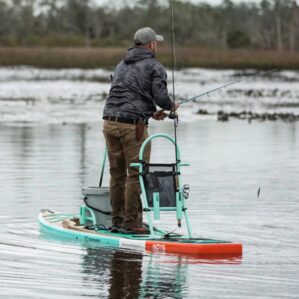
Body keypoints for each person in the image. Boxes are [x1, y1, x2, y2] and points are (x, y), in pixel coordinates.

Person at [102, 27, 178, 234]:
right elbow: (161, 97)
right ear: (152, 44)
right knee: (135, 174)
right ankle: (132, 224)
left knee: (117, 175)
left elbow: (128, 94)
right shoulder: (154, 66)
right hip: (132, 127)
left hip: (109, 121)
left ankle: (117, 221)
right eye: (157, 43)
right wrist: (171, 106)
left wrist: (151, 113)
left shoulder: (121, 64)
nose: (157, 46)